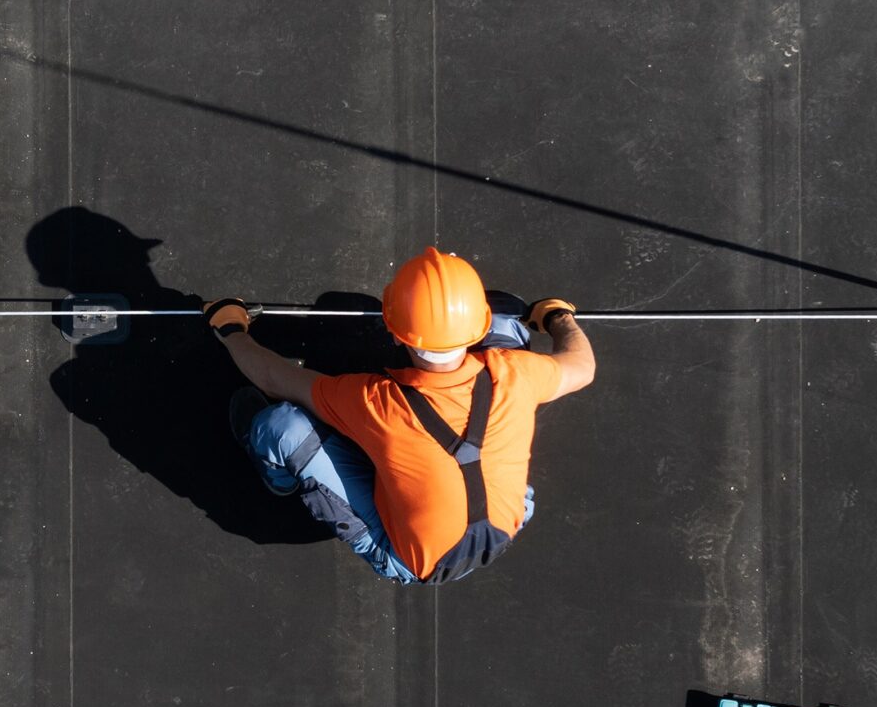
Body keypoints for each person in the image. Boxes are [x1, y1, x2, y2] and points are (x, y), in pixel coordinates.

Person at [204, 247, 595, 584]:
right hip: (503, 526)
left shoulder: (373, 401)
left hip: (412, 559)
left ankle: (279, 476)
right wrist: (557, 317)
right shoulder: (519, 373)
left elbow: (274, 378)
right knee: (508, 321)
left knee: (282, 428)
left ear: (394, 333)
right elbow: (582, 366)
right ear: (474, 329)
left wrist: (231, 329)